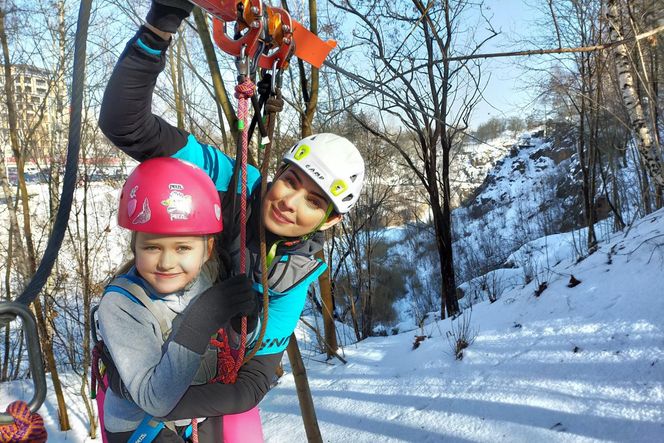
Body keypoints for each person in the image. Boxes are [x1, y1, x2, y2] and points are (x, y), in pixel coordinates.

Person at [97, 0, 365, 439]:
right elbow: (126, 123)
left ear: (330, 221)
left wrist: (170, 404)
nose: (289, 202)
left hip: (202, 383)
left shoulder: (296, 273)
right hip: (143, 361)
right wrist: (163, 21)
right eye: (290, 180)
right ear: (276, 171)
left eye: (313, 202)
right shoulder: (229, 179)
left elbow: (254, 383)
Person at [97, 157, 257, 442]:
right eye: (152, 247)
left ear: (207, 249)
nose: (167, 262)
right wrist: (202, 320)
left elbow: (233, 347)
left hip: (195, 415)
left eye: (183, 247)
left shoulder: (208, 277)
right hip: (140, 427)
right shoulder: (122, 304)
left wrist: (243, 320)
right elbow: (154, 400)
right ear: (135, 246)